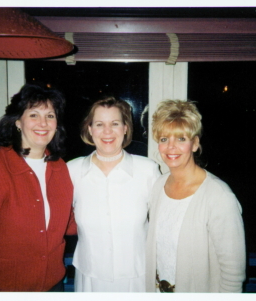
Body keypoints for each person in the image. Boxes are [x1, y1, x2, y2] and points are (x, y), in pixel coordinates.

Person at [0, 83, 76, 292]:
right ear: (18, 122)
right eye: (34, 115)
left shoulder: (60, 167)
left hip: (53, 286)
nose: (43, 123)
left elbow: (70, 223)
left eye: (50, 116)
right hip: (4, 287)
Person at [145, 100, 246, 293]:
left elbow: (233, 275)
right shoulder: (159, 186)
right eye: (164, 139)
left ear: (195, 143)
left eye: (181, 139)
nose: (171, 147)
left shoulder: (219, 197)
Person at [67, 96, 161, 292]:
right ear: (90, 129)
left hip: (138, 278)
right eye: (99, 124)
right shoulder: (72, 171)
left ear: (125, 128)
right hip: (89, 279)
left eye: (115, 123)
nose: (107, 131)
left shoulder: (148, 170)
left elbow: (163, 225)